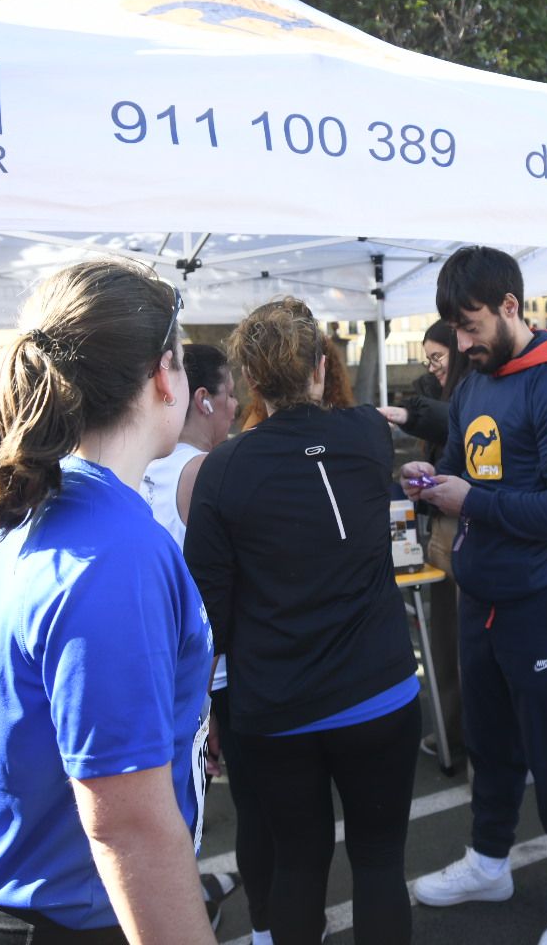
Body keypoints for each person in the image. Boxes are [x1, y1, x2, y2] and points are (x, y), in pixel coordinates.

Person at [0, 260, 216, 945]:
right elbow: (127, 824)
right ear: (164, 374)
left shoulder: (33, 502)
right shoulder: (113, 550)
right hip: (82, 919)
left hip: (37, 907)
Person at [185, 297, 420, 945]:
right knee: (379, 864)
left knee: (297, 866)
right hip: (379, 693)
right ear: (321, 366)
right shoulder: (368, 433)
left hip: (279, 708)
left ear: (253, 380)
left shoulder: (223, 470)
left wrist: (200, 711)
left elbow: (210, 616)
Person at [403, 246, 547, 945]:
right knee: (488, 745)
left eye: (470, 326)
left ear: (511, 307)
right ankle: (490, 862)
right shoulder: (473, 384)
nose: (461, 343)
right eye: (453, 330)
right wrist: (433, 480)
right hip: (480, 596)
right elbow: (463, 469)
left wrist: (474, 502)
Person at [139, 343, 247, 935]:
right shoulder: (209, 471)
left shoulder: (132, 466)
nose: (235, 406)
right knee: (193, 799)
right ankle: (182, 905)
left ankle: (185, 889)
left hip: (158, 666)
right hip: (208, 672)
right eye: (229, 393)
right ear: (202, 399)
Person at [378, 320, 469, 759]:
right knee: (446, 639)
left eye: (439, 357)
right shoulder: (436, 389)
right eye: (427, 359)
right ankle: (453, 734)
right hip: (441, 531)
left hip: (469, 534)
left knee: (465, 644)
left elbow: (456, 422)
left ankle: (469, 742)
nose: (432, 367)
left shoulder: (476, 391)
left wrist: (409, 415)